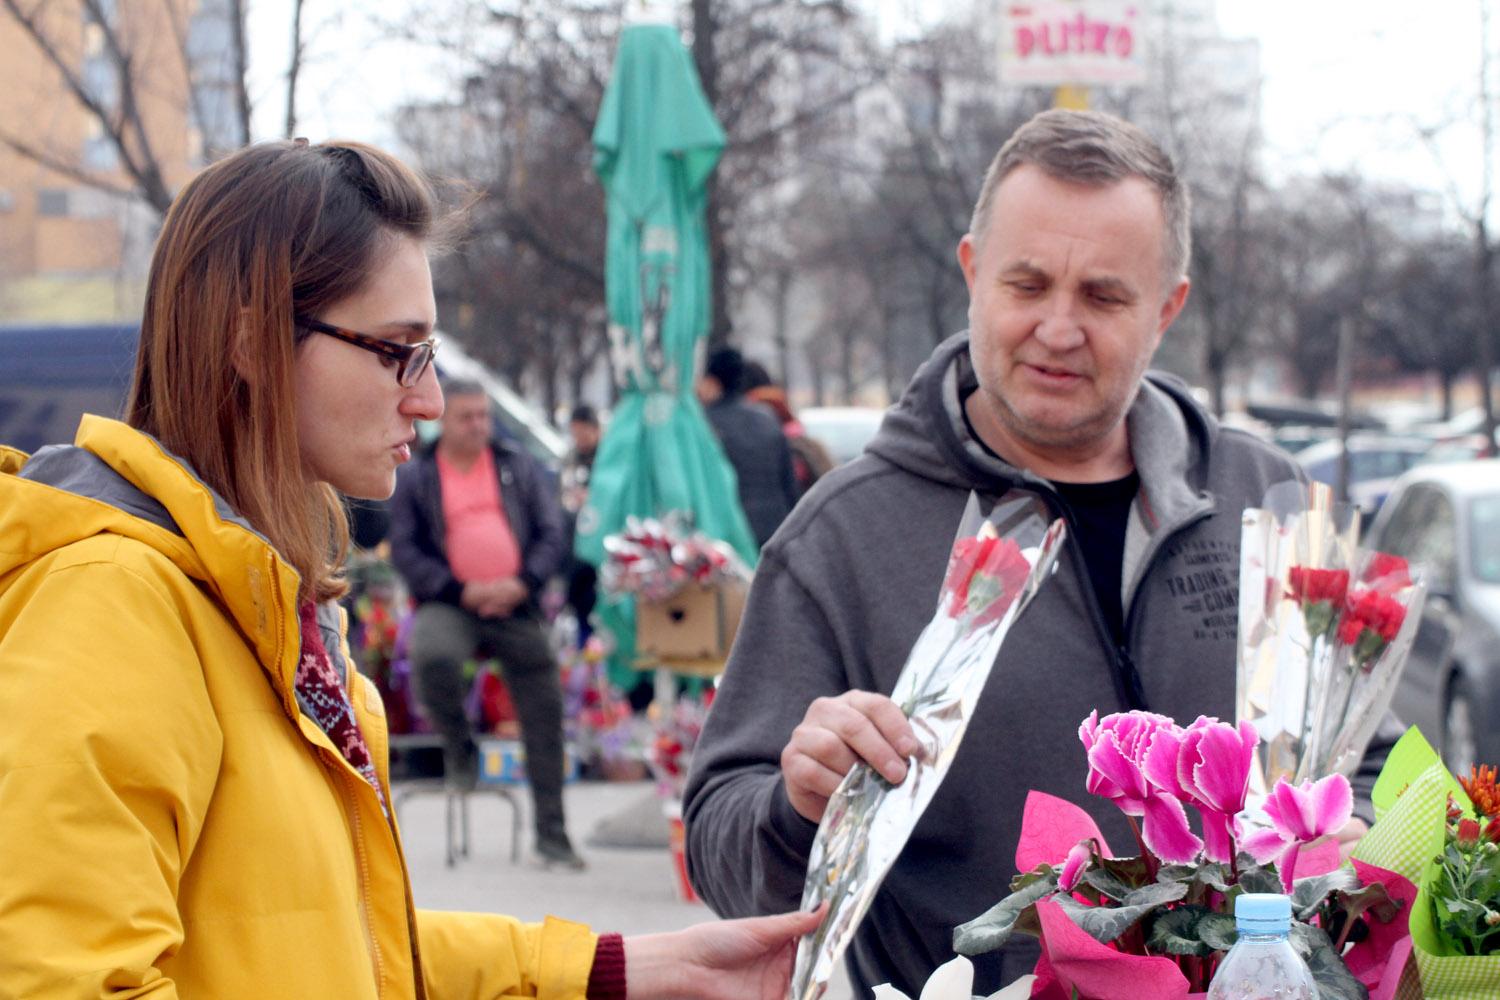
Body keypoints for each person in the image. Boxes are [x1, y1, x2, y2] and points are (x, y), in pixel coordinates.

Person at [0, 138, 821, 999]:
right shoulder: (114, 604)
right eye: (399, 350)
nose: (427, 400)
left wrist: (623, 968)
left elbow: (335, 942)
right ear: (251, 341)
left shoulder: (259, 603)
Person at [681, 109, 1392, 997]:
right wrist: (797, 804)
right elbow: (719, 848)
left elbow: (1365, 751)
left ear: (1167, 306)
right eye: (1027, 285)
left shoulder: (1267, 497)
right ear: (973, 273)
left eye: (1103, 296)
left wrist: (1362, 832)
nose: (1059, 329)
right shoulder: (841, 540)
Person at [387, 378, 585, 868]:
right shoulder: (420, 473)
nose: (479, 426)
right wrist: (459, 590)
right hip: (451, 600)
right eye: (466, 417)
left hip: (515, 599)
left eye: (484, 416)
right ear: (443, 421)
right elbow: (406, 549)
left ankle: (553, 834)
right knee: (430, 654)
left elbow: (551, 532)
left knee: (543, 701)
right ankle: (459, 750)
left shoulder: (515, 465)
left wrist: (524, 582)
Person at [696, 347, 799, 548]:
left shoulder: (705, 425)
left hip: (730, 532)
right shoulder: (768, 418)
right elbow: (789, 483)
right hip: (775, 526)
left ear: (712, 382)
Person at [561, 403, 602, 641]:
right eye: (575, 433)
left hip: (600, 539)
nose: (580, 438)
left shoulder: (607, 457)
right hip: (575, 539)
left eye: (583, 432)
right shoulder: (571, 458)